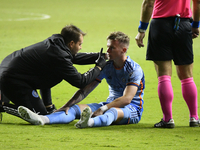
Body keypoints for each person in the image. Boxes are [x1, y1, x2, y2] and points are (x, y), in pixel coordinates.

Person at [17, 31, 145, 128]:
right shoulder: (107, 65)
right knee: (73, 109)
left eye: (112, 48)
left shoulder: (134, 69)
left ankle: (89, 122)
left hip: (131, 109)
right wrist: (66, 105)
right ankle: (42, 119)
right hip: (108, 104)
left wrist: (103, 109)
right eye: (107, 47)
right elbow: (85, 90)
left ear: (124, 50)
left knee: (110, 112)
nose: (107, 51)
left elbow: (127, 99)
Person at [0, 24, 106, 120]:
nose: (81, 47)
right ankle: (2, 105)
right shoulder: (59, 56)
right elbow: (80, 81)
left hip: (8, 70)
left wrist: (100, 56)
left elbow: (72, 58)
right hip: (12, 79)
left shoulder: (56, 45)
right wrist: (98, 67)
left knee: (45, 107)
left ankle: (5, 94)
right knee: (39, 115)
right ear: (71, 43)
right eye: (80, 44)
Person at [135, 0, 200, 128]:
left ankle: (168, 119)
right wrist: (196, 24)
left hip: (160, 25)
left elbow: (148, 3)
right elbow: (197, 2)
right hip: (184, 23)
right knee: (187, 76)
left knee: (163, 75)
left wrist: (142, 29)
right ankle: (194, 117)